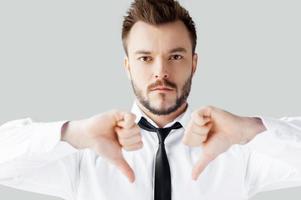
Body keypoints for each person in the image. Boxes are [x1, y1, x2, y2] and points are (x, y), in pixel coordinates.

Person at [1, 0, 301, 200]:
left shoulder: (237, 149)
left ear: (194, 63)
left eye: (176, 56)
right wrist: (71, 134)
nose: (161, 72)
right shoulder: (85, 152)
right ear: (128, 65)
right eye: (145, 58)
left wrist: (251, 130)